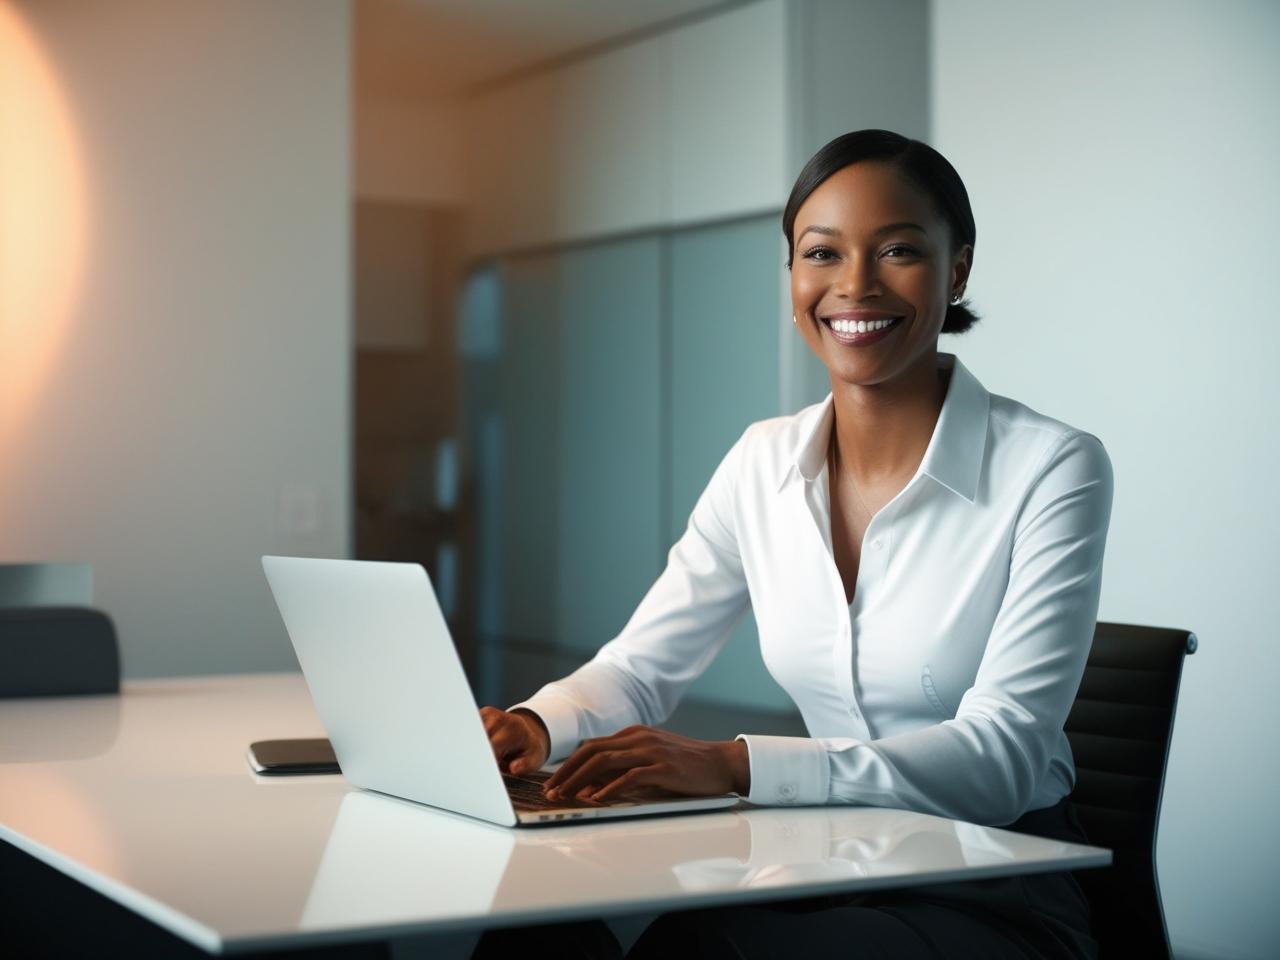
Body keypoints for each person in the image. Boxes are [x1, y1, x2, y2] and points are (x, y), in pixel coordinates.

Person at [473, 129, 1113, 959]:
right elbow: (640, 666)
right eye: (822, 253)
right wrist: (535, 724)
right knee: (547, 932)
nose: (854, 285)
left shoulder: (1053, 467)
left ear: (956, 271)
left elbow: (1003, 759)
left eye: (898, 251)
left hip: (994, 884)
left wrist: (739, 767)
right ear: (793, 276)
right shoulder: (761, 462)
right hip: (817, 860)